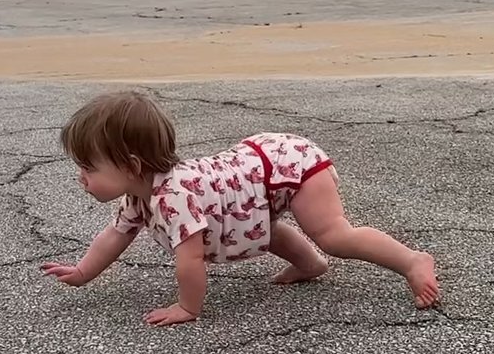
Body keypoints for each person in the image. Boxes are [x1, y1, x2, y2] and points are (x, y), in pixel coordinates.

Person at [42, 90, 440, 327]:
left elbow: (190, 261)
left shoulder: (173, 198)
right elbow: (114, 235)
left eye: (88, 167)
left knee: (333, 234)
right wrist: (83, 272)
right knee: (257, 227)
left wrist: (187, 306)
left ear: (131, 166)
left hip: (289, 166)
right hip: (258, 174)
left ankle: (411, 261)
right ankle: (310, 266)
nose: (81, 176)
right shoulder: (138, 196)